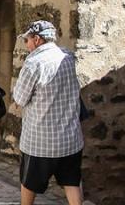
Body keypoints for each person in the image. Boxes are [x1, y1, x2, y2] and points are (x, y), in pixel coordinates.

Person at [13, 21, 84, 205]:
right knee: (72, 183)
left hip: (40, 141)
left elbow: (20, 98)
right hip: (70, 139)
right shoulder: (68, 57)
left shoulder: (33, 63)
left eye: (27, 40)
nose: (26, 44)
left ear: (37, 39)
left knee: (29, 184)